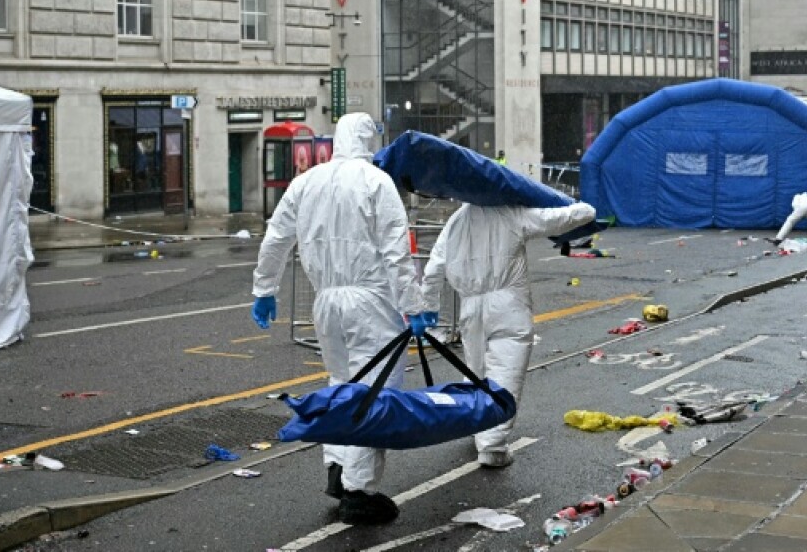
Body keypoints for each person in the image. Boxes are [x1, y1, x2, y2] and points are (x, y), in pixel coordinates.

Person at [250, 112, 433, 526]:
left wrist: (264, 290)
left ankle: (337, 466)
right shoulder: (376, 182)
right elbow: (395, 253)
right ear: (369, 141)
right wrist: (414, 305)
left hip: (326, 302)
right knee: (374, 394)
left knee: (341, 385)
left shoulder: (306, 182)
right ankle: (359, 492)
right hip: (372, 303)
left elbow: (277, 237)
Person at [420, 200, 596, 468]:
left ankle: (475, 421)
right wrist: (585, 210)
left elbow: (433, 268)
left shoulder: (456, 221)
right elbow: (555, 219)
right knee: (505, 372)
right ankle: (492, 446)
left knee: (475, 372)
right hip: (508, 303)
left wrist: (428, 308)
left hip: (470, 305)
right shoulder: (510, 213)